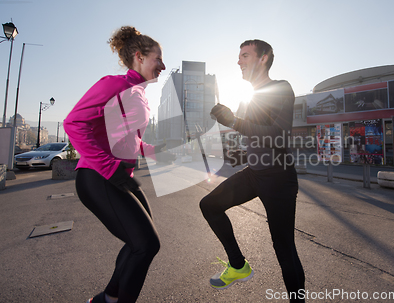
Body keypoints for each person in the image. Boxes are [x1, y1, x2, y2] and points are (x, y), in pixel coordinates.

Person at [63, 26, 174, 303]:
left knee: (141, 244)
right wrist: (110, 168)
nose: (162, 65)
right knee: (146, 245)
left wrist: (156, 151)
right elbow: (73, 123)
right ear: (139, 56)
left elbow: (128, 141)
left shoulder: (138, 94)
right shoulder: (114, 84)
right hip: (98, 176)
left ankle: (107, 299)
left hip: (120, 175)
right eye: (157, 59)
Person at [200, 39, 305, 302]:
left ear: (264, 58)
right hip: (254, 173)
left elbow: (278, 134)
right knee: (209, 205)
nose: (239, 61)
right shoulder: (247, 98)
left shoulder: (280, 88)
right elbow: (251, 134)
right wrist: (232, 127)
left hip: (278, 177)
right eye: (239, 57)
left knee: (284, 248)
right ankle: (237, 265)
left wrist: (234, 120)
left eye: (245, 55)